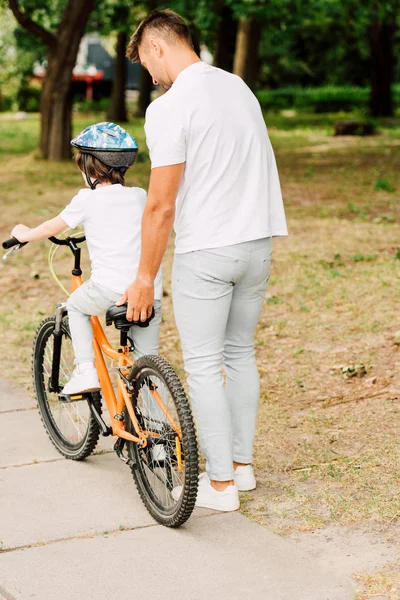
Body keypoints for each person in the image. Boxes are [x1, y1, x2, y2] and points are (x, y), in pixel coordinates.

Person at [121, 10, 288, 512]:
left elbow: (161, 203)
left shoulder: (170, 107)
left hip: (208, 251)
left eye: (147, 64)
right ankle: (241, 466)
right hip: (258, 243)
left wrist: (144, 276)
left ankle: (219, 487)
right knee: (240, 354)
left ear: (158, 47)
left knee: (202, 366)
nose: (150, 77)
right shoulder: (239, 87)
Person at [11, 122, 162, 395]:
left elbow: (51, 228)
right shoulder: (140, 195)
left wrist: (24, 234)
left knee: (76, 308)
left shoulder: (86, 200)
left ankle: (85, 371)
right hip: (149, 290)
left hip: (110, 289)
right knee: (147, 362)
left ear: (89, 169)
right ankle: (160, 433)